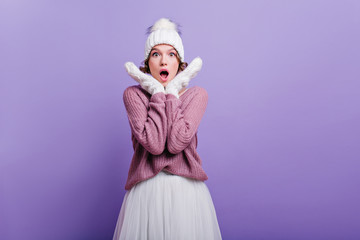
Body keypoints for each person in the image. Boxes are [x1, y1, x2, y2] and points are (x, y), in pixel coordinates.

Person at [112, 18, 222, 240]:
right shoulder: (133, 95)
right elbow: (154, 144)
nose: (164, 61)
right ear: (147, 62)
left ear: (180, 63)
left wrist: (171, 92)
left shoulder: (197, 95)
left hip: (187, 194)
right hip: (146, 194)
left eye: (171, 54)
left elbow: (176, 143)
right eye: (156, 54)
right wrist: (157, 91)